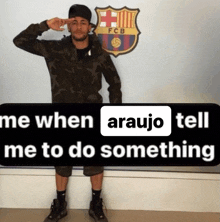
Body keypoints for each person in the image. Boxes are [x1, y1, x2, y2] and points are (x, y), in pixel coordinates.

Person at [13, 4, 122, 222]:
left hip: (93, 117)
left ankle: (96, 203)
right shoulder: (54, 50)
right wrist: (45, 25)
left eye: (83, 22)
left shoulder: (99, 53)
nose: (79, 27)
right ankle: (60, 204)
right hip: (63, 117)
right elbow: (20, 41)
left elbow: (115, 84)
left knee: (95, 160)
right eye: (74, 22)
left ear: (90, 27)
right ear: (68, 24)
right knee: (62, 161)